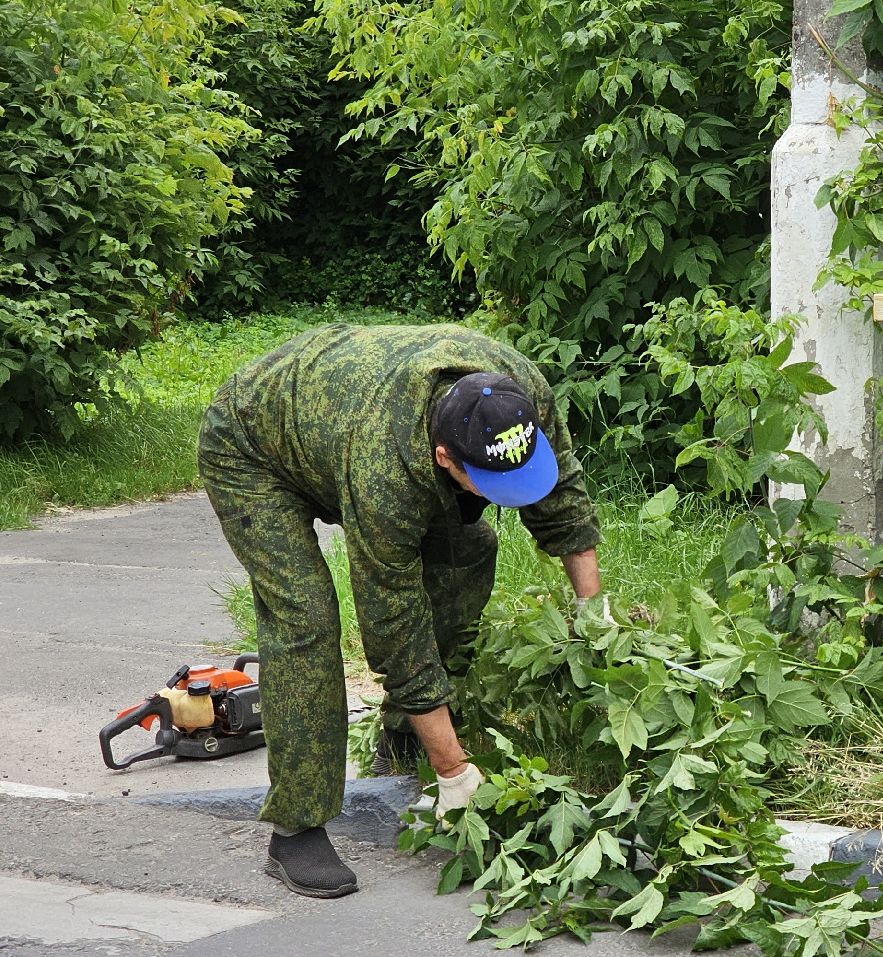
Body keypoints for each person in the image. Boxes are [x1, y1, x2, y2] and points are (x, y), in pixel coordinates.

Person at [198, 324, 603, 898]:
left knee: (467, 552)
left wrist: (593, 613)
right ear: (444, 457)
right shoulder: (385, 468)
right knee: (305, 619)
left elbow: (563, 499)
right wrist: (454, 773)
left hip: (335, 423)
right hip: (254, 447)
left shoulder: (520, 394)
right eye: (487, 482)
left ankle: (404, 735)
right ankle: (296, 828)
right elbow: (395, 626)